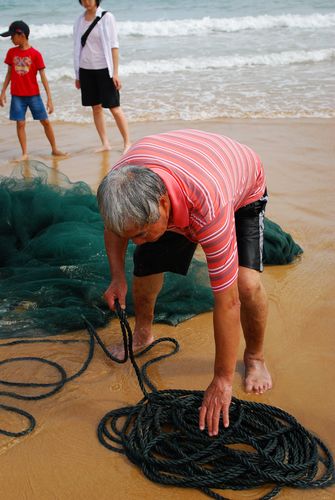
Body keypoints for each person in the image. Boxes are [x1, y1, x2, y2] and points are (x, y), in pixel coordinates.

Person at [97, 129, 273, 436]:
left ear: (164, 205)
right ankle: (143, 334)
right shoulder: (119, 186)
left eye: (140, 233)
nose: (136, 241)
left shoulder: (208, 205)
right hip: (181, 167)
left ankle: (255, 357)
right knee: (146, 266)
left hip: (240, 185)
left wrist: (222, 379)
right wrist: (117, 278)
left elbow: (227, 301)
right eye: (132, 234)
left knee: (245, 285)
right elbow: (115, 230)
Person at [0, 21, 66, 162]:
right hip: (17, 96)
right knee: (20, 124)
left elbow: (43, 77)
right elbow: (9, 74)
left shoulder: (35, 54)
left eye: (12, 36)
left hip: (33, 95)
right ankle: (24, 153)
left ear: (22, 35)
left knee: (45, 122)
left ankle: (54, 149)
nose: (11, 39)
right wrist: (3, 91)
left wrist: (49, 98)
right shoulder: (11, 52)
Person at [73, 0, 131, 153]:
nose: (86, 1)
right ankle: (105, 143)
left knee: (114, 108)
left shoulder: (107, 17)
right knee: (96, 108)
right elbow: (76, 47)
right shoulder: (79, 20)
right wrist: (77, 74)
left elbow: (114, 46)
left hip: (104, 69)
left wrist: (115, 73)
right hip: (86, 69)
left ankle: (127, 143)